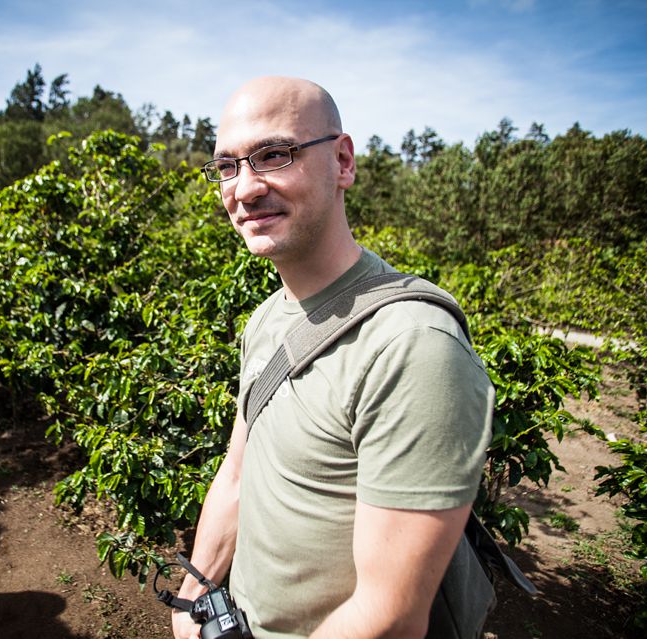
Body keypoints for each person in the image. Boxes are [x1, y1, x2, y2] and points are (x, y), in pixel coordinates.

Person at [171, 76, 494, 639]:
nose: (244, 189)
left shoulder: (412, 345)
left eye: (274, 154)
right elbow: (238, 474)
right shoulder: (268, 319)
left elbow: (389, 617)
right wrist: (192, 600)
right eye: (227, 166)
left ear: (343, 162)